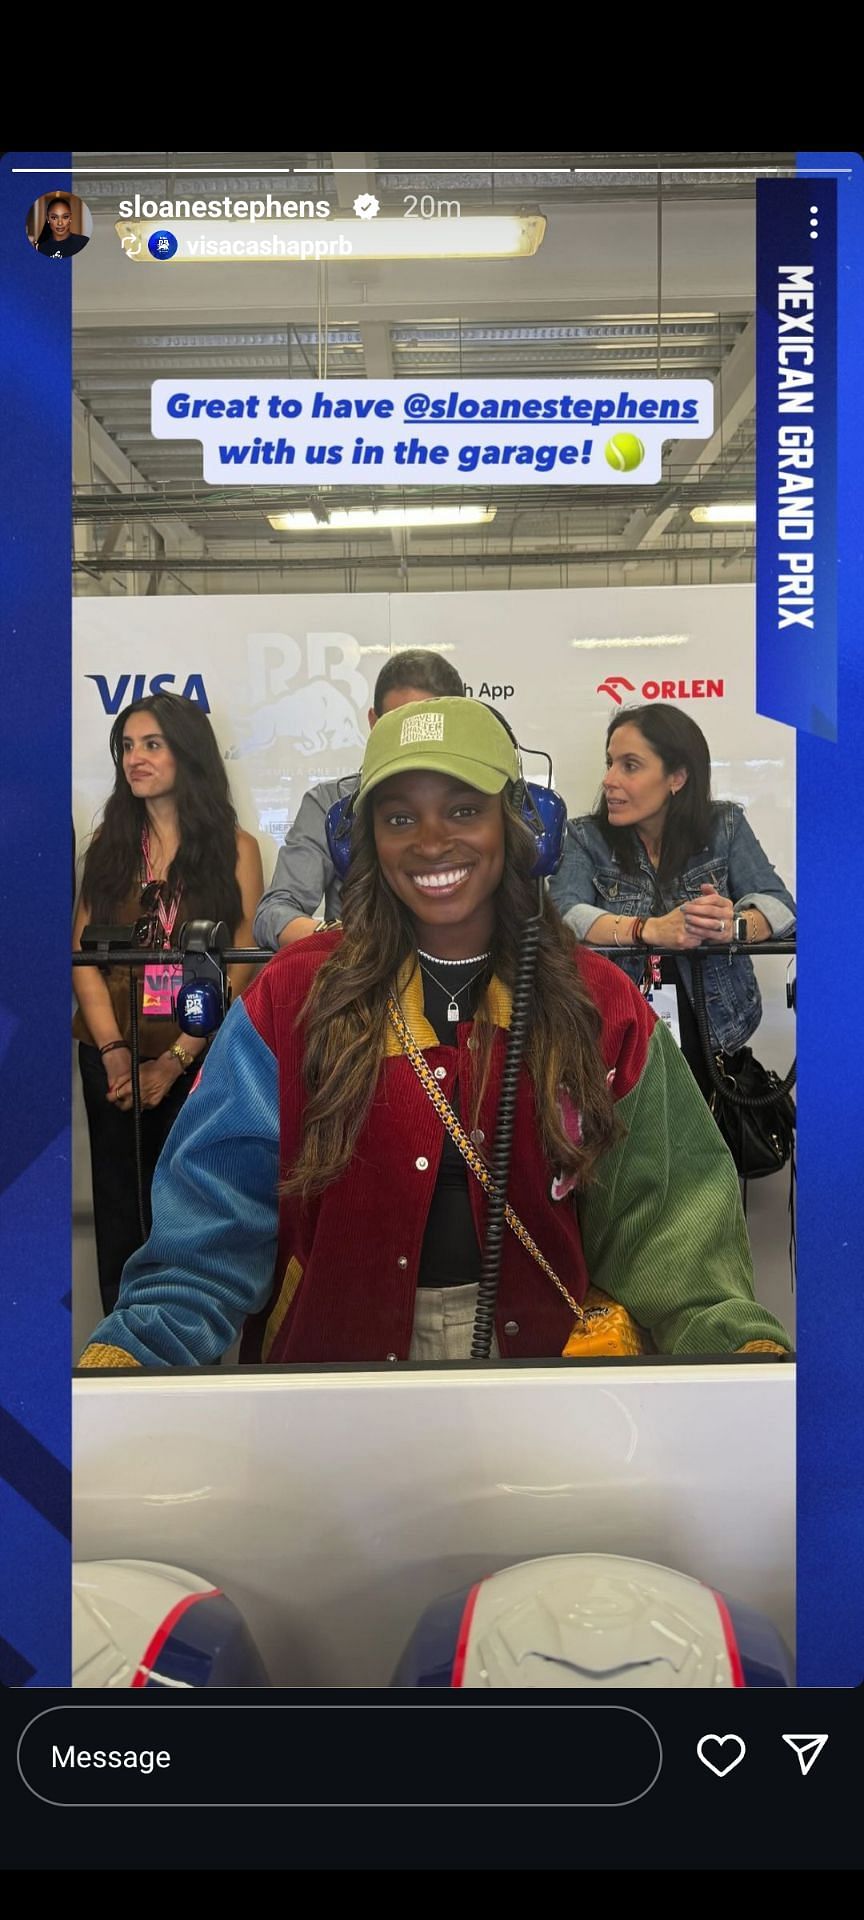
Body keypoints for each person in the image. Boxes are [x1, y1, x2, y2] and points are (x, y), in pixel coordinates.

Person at [79, 697, 790, 1370]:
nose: (431, 842)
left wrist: (737, 1349)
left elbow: (671, 1224)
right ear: (362, 843)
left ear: (522, 828)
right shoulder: (294, 994)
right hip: (333, 1376)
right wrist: (134, 1353)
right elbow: (208, 1231)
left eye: (461, 810)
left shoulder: (597, 1000)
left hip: (545, 1380)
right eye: (398, 819)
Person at [73, 693, 264, 1314]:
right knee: (120, 1209)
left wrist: (176, 1059)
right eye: (127, 747)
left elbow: (236, 967)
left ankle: (187, 1352)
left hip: (197, 1058)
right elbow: (82, 960)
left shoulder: (236, 848)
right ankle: (120, 1350)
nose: (136, 759)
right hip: (112, 1054)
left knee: (190, 1210)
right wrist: (115, 1051)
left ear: (188, 753)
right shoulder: (109, 845)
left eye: (152, 745)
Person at [548, 705, 796, 1095]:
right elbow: (563, 914)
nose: (609, 780)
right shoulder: (584, 836)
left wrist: (732, 925)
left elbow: (780, 906)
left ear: (677, 777)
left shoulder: (724, 826)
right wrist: (649, 930)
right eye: (610, 763)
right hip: (615, 1040)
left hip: (717, 1033)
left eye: (630, 766)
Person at [253, 648, 464, 950]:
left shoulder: (487, 805)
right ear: (373, 723)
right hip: (363, 986)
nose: (412, 744)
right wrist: (350, 940)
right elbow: (273, 914)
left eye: (427, 728)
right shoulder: (329, 804)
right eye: (398, 728)